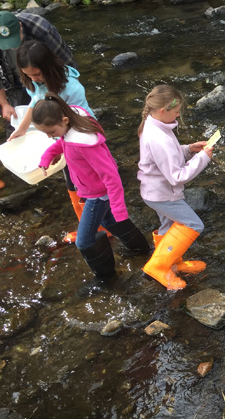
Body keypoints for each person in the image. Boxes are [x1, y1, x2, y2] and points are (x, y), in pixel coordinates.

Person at [34, 95, 150, 281]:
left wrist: (119, 207)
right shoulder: (70, 128)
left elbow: (111, 176)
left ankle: (107, 278)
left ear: (64, 120)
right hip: (91, 190)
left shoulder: (85, 144)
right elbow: (61, 143)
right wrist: (47, 156)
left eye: (51, 131)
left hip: (98, 195)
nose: (50, 136)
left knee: (84, 241)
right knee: (110, 222)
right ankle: (142, 249)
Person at [16, 40, 96, 243]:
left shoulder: (71, 87)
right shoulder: (36, 81)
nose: (34, 79)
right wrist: (22, 128)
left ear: (48, 67)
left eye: (37, 74)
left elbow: (78, 119)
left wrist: (62, 146)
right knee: (71, 182)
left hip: (81, 136)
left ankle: (99, 227)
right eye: (29, 75)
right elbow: (35, 102)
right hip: (61, 134)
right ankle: (85, 225)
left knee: (87, 182)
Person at [137, 85, 213, 291]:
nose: (179, 114)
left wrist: (188, 150)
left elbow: (165, 157)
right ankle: (159, 266)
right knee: (193, 224)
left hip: (154, 190)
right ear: (163, 110)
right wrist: (203, 158)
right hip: (163, 194)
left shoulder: (155, 126)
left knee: (168, 227)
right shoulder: (158, 137)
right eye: (177, 111)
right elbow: (177, 176)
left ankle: (172, 263)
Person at [0, 11, 76, 122]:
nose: (11, 46)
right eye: (5, 43)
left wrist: (62, 94)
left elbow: (66, 63)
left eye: (14, 38)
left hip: (47, 78)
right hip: (12, 82)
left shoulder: (41, 28)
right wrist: (4, 104)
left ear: (20, 26)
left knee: (56, 118)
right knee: (15, 120)